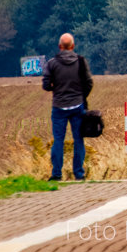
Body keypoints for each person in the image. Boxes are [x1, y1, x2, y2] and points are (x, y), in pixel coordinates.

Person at [42, 33, 93, 181]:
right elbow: (89, 82)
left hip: (59, 106)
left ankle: (56, 174)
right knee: (78, 139)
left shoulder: (51, 64)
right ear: (72, 46)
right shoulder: (81, 62)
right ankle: (79, 173)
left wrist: (57, 89)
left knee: (58, 140)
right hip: (78, 106)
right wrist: (82, 96)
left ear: (59, 47)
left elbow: (46, 85)